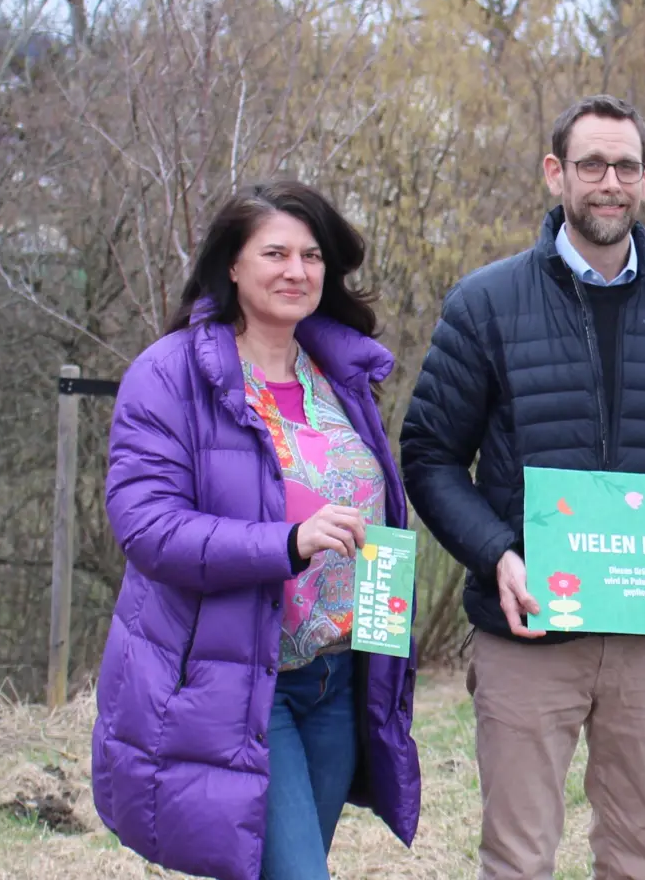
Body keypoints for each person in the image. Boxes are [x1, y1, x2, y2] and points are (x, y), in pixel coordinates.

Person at [399, 94, 645, 880]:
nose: (608, 182)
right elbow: (429, 455)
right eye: (591, 165)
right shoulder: (486, 302)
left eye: (624, 166)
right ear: (557, 174)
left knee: (639, 853)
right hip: (528, 627)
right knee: (518, 859)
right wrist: (497, 554)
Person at [92, 180, 421, 880]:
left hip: (337, 676)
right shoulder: (170, 375)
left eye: (311, 256)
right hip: (238, 682)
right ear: (233, 265)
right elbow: (148, 529)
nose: (296, 270)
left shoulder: (340, 376)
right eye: (275, 253)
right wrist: (287, 542)